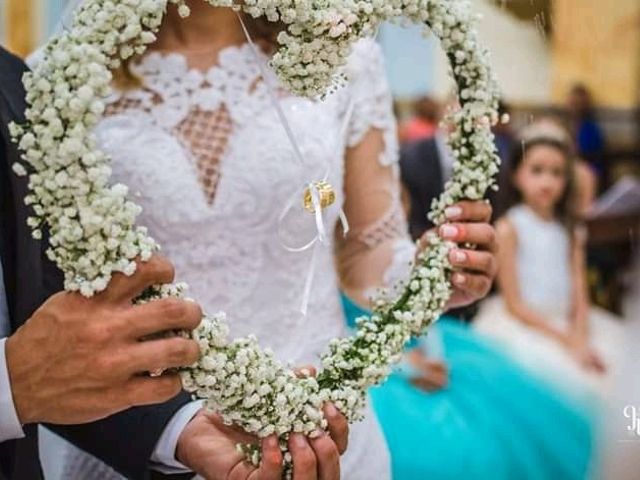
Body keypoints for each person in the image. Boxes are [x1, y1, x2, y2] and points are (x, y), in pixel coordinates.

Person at [42, 2, 500, 479]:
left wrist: (430, 276)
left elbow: (367, 251)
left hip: (317, 429)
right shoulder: (62, 80)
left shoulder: (345, 57)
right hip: (131, 436)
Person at [1, 45, 347, 480]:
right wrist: (10, 385)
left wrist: (179, 425)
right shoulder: (57, 75)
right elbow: (48, 343)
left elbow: (41, 301)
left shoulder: (9, 79)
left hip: (256, 399)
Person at [474, 132, 622, 395]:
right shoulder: (509, 227)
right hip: (525, 323)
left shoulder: (571, 229)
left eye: (557, 173)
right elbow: (514, 303)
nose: (547, 181)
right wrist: (566, 341)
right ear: (516, 175)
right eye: (537, 170)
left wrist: (579, 334)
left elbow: (579, 288)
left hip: (568, 321)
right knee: (562, 382)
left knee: (616, 371)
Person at [567, 84, 606, 181]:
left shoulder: (591, 128)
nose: (575, 107)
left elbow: (588, 154)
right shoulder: (565, 123)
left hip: (588, 171)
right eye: (573, 103)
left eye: (578, 103)